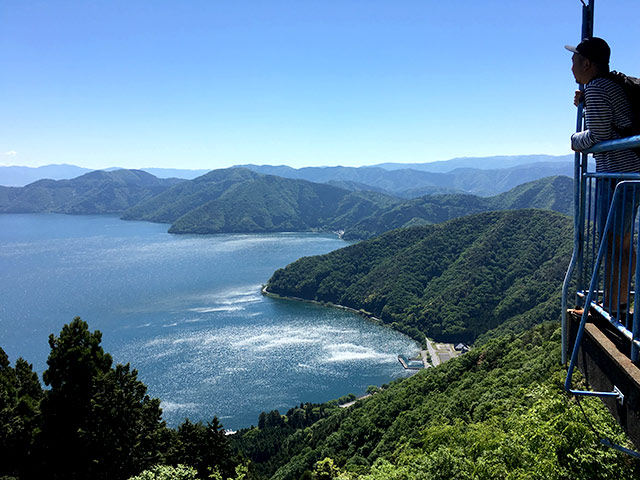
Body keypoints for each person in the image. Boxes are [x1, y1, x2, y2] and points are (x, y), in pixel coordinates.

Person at [566, 37, 640, 321]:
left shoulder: (597, 89)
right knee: (619, 242)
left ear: (587, 63)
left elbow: (598, 137)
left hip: (619, 174)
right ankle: (616, 303)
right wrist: (586, 101)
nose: (571, 66)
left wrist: (574, 139)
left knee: (615, 243)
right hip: (630, 171)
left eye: (574, 61)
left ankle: (615, 307)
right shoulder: (609, 84)